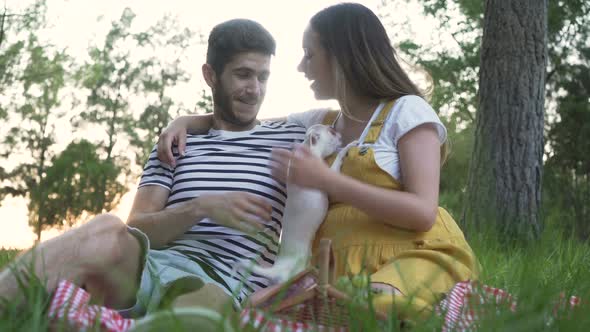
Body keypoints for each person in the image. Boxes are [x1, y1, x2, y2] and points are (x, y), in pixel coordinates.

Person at [157, 2, 479, 319]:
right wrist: (184, 122)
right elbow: (245, 120)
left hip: (413, 255)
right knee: (257, 312)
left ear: (342, 57)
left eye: (309, 54)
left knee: (370, 308)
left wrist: (327, 180)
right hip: (339, 270)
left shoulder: (405, 111)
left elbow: (423, 212)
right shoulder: (322, 122)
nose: (301, 66)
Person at [0, 18, 307, 319]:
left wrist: (186, 119)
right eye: (243, 75)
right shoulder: (176, 143)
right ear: (211, 75)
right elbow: (137, 227)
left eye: (262, 77)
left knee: (198, 307)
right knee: (105, 228)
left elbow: (352, 115)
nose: (254, 89)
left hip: (225, 285)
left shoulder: (291, 135)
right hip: (152, 266)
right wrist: (200, 208)